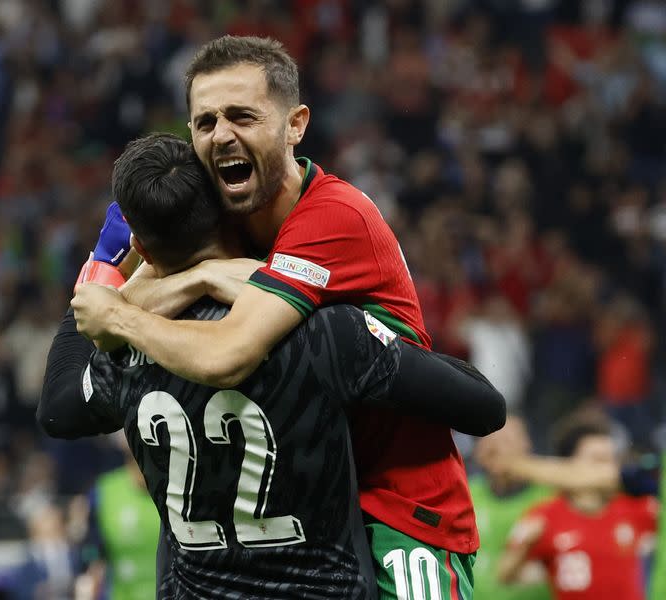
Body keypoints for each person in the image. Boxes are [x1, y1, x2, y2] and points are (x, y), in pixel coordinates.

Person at [71, 35, 481, 599]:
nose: (222, 135)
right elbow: (95, 319)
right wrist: (155, 280)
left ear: (296, 124)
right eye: (205, 122)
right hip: (299, 518)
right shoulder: (224, 211)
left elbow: (222, 353)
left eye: (242, 116)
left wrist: (144, 302)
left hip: (397, 511)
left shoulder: (334, 216)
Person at [497, 416, 658, 600]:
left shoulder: (637, 507)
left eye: (611, 459)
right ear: (568, 465)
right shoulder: (544, 516)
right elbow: (505, 573)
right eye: (598, 459)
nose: (607, 469)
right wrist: (526, 551)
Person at [469, 416, 552, 600]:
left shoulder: (549, 497)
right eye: (490, 441)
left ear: (527, 445)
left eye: (507, 441)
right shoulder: (467, 493)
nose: (498, 449)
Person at [78, 454, 160, 600]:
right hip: (119, 594)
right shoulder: (105, 491)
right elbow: (91, 546)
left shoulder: (175, 487)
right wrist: (92, 568)